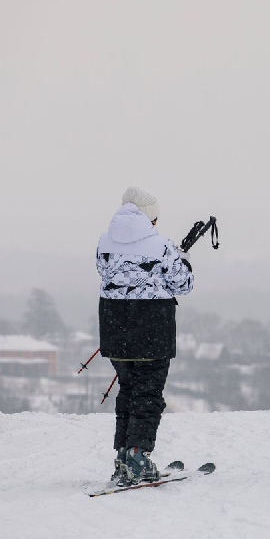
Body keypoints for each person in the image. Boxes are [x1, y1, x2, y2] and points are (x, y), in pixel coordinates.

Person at [96, 186, 194, 484]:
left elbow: (105, 273)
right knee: (148, 394)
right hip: (152, 329)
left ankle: (123, 457)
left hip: (115, 327)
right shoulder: (162, 246)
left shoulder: (104, 243)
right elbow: (183, 285)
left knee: (127, 391)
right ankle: (138, 456)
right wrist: (183, 258)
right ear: (149, 216)